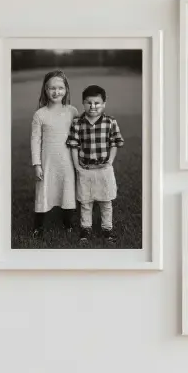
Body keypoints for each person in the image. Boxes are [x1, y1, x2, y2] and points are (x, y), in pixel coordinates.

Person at [66, 84, 124, 244]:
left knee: (106, 201)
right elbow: (73, 145)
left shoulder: (110, 122)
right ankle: (86, 228)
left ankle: (107, 229)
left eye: (97, 103)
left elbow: (115, 142)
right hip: (85, 169)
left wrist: (110, 162)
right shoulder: (77, 122)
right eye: (89, 103)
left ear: (104, 104)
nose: (93, 106)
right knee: (85, 202)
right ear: (83, 103)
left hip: (104, 169)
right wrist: (77, 166)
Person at [30, 69, 78, 236]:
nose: (56, 92)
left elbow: (79, 136)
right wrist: (37, 164)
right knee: (44, 191)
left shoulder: (72, 111)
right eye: (52, 88)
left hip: (67, 160)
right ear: (45, 89)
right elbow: (35, 140)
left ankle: (68, 223)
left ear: (66, 89)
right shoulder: (40, 114)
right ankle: (38, 226)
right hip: (47, 161)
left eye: (60, 88)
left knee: (67, 189)